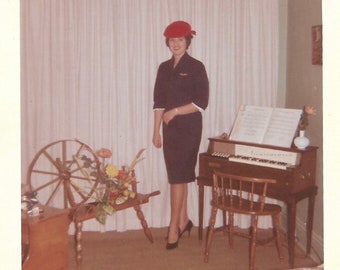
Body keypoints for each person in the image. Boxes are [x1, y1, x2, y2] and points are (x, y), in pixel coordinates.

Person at [152, 21, 209, 250]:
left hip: (189, 128)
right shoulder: (164, 68)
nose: (176, 44)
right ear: (168, 42)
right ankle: (185, 220)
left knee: (178, 177)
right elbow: (158, 103)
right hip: (169, 129)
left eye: (180, 40)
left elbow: (201, 103)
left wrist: (174, 111)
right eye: (172, 40)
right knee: (180, 176)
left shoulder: (196, 66)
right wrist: (155, 131)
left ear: (188, 41)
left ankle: (173, 226)